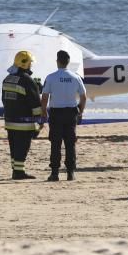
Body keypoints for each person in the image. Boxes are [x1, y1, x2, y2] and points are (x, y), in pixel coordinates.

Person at [40, 50, 87, 181]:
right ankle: (70, 172)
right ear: (68, 62)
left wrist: (44, 111)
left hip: (56, 112)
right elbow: (83, 97)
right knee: (70, 143)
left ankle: (55, 172)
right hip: (71, 112)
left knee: (55, 143)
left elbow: (45, 97)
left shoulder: (51, 77)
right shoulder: (75, 77)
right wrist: (80, 111)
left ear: (57, 61)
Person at [1, 50, 43, 180]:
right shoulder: (27, 80)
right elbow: (35, 102)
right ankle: (19, 172)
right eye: (30, 63)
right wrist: (39, 120)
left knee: (14, 146)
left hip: (9, 120)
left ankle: (16, 169)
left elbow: (4, 99)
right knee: (23, 146)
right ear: (26, 64)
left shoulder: (7, 78)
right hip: (23, 122)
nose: (31, 65)